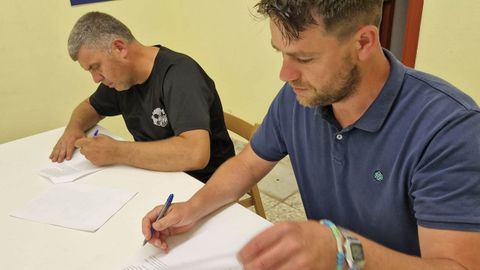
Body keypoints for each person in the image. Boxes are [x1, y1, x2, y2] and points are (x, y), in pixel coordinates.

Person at [142, 0, 480, 269]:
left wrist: (343, 251)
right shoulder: (299, 97)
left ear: (363, 42)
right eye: (281, 53)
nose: (285, 74)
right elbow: (247, 165)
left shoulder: (448, 130)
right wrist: (192, 207)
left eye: (304, 57)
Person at [49, 12, 235, 182]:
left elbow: (195, 154)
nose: (96, 78)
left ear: (119, 48)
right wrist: (74, 128)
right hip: (156, 175)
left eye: (96, 67)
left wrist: (116, 151)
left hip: (204, 183)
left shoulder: (180, 75)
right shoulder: (120, 79)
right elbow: (90, 106)